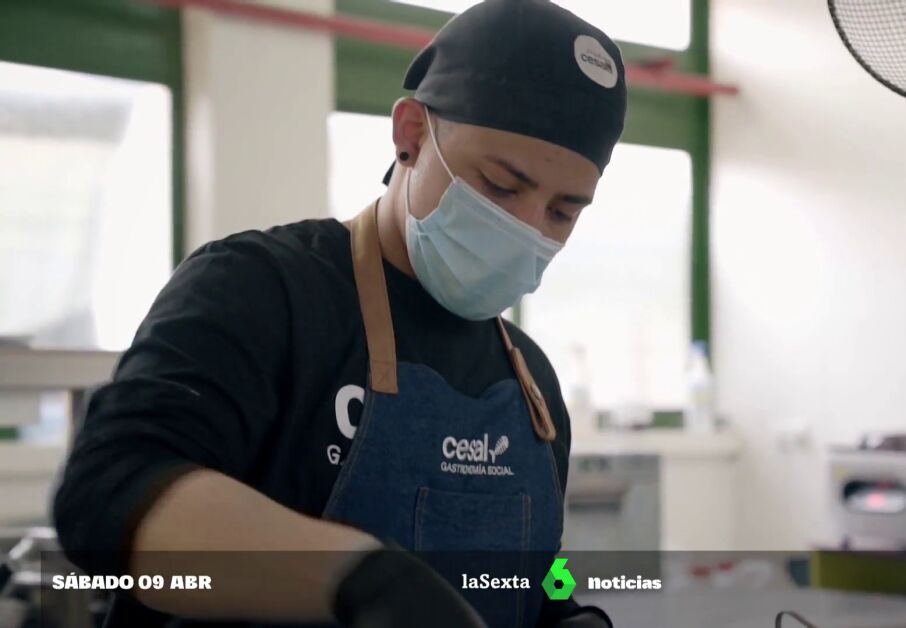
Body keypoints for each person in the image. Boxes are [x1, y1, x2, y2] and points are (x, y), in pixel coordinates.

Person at [50, 1, 627, 626]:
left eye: (563, 212)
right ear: (411, 135)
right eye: (500, 186)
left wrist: (563, 615)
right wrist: (358, 580)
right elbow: (108, 493)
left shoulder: (529, 385)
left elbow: (530, 578)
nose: (528, 227)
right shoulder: (262, 291)